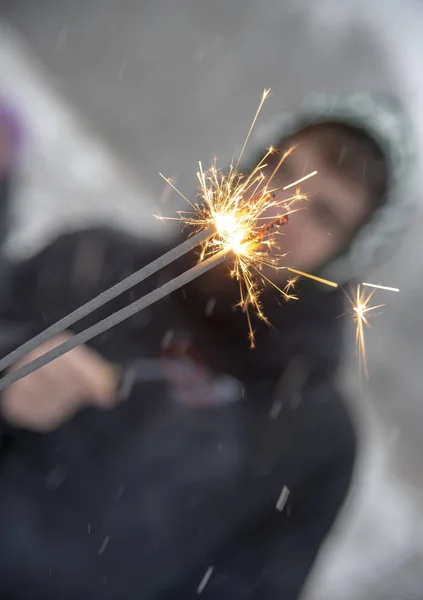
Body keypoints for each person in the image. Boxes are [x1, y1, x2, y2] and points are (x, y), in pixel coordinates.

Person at [0, 91, 415, 599]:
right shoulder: (91, 262)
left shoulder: (314, 440)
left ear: (340, 260)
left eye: (323, 214)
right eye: (282, 172)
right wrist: (11, 368)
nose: (279, 209)